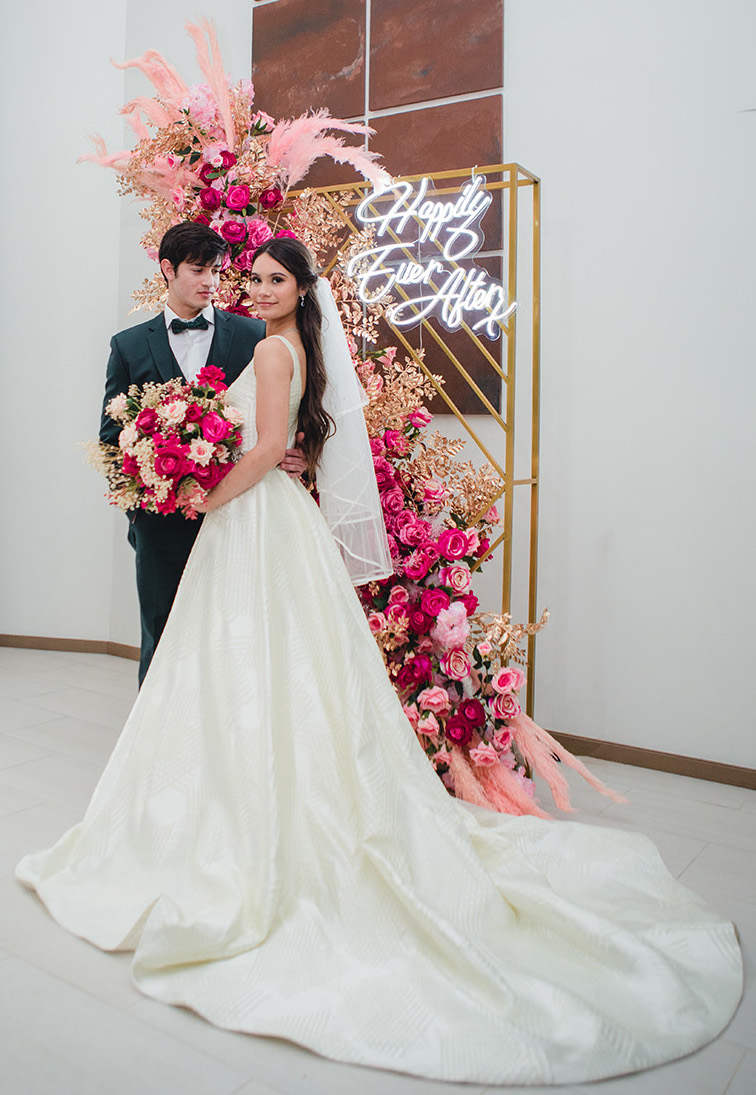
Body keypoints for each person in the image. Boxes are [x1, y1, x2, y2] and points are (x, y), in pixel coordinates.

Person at [18, 240, 742, 1087]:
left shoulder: (267, 344)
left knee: (253, 662)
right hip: (252, 516)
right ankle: (219, 785)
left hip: (247, 520)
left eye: (269, 279)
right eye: (250, 277)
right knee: (230, 666)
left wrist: (208, 490)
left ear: (297, 291)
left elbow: (266, 444)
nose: (252, 286)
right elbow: (282, 437)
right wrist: (218, 463)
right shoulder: (269, 342)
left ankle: (243, 813)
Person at [100, 222, 306, 684]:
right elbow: (112, 435)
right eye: (198, 270)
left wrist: (303, 449)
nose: (210, 282)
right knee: (163, 631)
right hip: (161, 522)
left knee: (236, 632)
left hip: (240, 514)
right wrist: (141, 507)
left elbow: (297, 405)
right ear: (168, 269)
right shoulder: (128, 345)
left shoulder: (258, 333)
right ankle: (154, 747)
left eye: (216, 270)